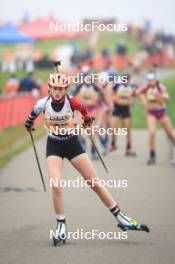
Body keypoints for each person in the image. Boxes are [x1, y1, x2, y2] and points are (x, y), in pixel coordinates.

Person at [25, 71, 149, 244]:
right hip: (53, 146)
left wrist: (87, 120)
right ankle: (61, 226)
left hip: (72, 144)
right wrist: (28, 125)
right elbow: (30, 118)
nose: (58, 91)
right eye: (54, 88)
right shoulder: (42, 104)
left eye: (61, 88)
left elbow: (84, 111)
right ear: (50, 89)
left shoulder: (72, 101)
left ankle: (122, 218)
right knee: (56, 186)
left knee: (95, 183)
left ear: (66, 89)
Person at [136, 71, 175, 164]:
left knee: (170, 134)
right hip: (151, 113)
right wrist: (144, 101)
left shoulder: (160, 87)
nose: (151, 82)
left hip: (161, 112)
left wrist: (159, 95)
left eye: (152, 80)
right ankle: (152, 155)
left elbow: (167, 97)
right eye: (149, 80)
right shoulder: (146, 87)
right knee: (152, 133)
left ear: (156, 80)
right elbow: (138, 92)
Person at [109, 72, 137, 156]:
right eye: (123, 79)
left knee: (127, 129)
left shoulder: (132, 86)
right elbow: (110, 93)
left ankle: (129, 148)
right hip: (117, 108)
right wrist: (112, 102)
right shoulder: (117, 85)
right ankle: (113, 144)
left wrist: (132, 104)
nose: (125, 81)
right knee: (114, 128)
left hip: (126, 109)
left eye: (127, 79)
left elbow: (135, 95)